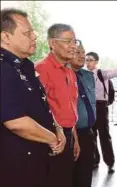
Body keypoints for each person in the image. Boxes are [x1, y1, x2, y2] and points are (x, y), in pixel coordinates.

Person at [0, 8, 61, 187]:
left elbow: (40, 105)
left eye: (32, 31)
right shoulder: (4, 69)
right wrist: (52, 138)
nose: (34, 36)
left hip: (37, 158)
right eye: (27, 33)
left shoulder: (25, 66)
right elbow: (15, 122)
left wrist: (56, 127)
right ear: (5, 37)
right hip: (16, 166)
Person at [35, 23, 80, 187]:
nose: (74, 46)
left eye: (75, 41)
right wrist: (54, 137)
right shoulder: (41, 69)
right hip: (51, 138)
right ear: (53, 43)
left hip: (68, 135)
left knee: (65, 180)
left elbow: (71, 109)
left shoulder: (70, 72)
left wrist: (75, 139)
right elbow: (38, 109)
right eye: (68, 41)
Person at [85, 51, 117, 172]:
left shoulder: (102, 73)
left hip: (101, 107)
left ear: (96, 61)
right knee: (91, 135)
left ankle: (110, 162)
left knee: (104, 136)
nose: (88, 62)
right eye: (87, 60)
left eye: (90, 60)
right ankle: (95, 160)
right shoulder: (84, 75)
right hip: (89, 107)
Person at [69, 44, 96, 187]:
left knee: (85, 175)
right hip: (70, 134)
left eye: (83, 53)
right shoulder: (63, 75)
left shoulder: (88, 76)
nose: (81, 56)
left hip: (88, 133)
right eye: (77, 52)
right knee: (71, 176)